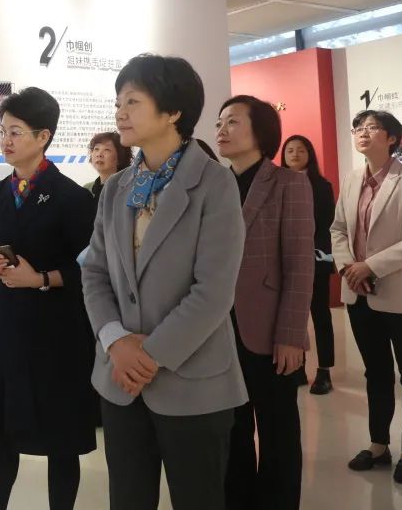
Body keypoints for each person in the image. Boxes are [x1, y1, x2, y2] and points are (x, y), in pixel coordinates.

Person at [82, 54, 247, 510]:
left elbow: (213, 291)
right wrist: (116, 341)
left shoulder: (214, 184)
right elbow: (94, 272)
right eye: (118, 102)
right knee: (128, 499)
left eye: (132, 101)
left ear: (173, 111)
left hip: (193, 382)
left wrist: (148, 355)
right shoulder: (116, 187)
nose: (120, 112)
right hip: (119, 381)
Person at [0, 87, 97, 510]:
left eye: (16, 132)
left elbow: (90, 269)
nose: (5, 140)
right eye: (3, 131)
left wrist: (40, 278)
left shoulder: (73, 198)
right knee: (2, 436)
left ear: (44, 137)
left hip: (57, 333)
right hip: (7, 329)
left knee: (62, 442)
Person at [217, 96, 313, 510]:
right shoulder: (216, 186)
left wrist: (291, 336)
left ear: (261, 131)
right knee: (232, 428)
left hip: (270, 331)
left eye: (232, 122)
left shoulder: (288, 183)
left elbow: (299, 265)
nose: (221, 130)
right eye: (219, 123)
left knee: (278, 431)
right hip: (218, 330)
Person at [332, 110, 402, 485]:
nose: (362, 133)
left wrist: (369, 266)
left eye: (372, 128)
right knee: (376, 373)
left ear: (392, 138)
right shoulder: (351, 179)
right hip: (359, 294)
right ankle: (378, 444)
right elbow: (338, 229)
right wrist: (348, 268)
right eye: (358, 128)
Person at [281, 134, 337, 395]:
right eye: (290, 150)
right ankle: (298, 366)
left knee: (320, 314)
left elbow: (327, 225)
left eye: (300, 150)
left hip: (315, 259)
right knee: (294, 315)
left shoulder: (321, 186)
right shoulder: (277, 184)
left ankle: (324, 371)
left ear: (309, 155)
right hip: (285, 261)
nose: (294, 154)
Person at [84, 131, 133, 200]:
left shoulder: (130, 189)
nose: (99, 154)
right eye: (96, 149)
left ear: (120, 157)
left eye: (107, 150)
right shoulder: (87, 189)